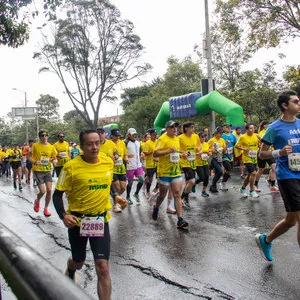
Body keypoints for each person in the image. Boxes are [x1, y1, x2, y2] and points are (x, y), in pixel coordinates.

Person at [53, 129, 113, 299]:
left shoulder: (107, 162)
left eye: (97, 143)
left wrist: (116, 196)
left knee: (102, 266)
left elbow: (110, 182)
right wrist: (63, 215)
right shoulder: (70, 167)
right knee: (79, 262)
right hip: (78, 222)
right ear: (81, 146)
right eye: (89, 144)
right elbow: (58, 195)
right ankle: (71, 267)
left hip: (100, 220)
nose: (94, 147)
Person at [255, 90, 300, 262]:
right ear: (285, 106)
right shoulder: (274, 128)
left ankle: (265, 240)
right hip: (287, 176)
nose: (299, 103)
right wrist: (279, 152)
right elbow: (262, 154)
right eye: (296, 101)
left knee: (290, 220)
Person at [153, 120, 188, 229]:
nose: (174, 129)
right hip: (164, 172)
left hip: (176, 171)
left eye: (176, 127)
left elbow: (176, 151)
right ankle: (156, 207)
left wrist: (183, 155)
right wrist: (168, 151)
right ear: (167, 129)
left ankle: (180, 220)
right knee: (163, 195)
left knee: (177, 194)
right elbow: (155, 153)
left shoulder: (177, 139)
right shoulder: (162, 139)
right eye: (172, 127)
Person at [29, 129, 57, 217]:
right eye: (42, 135)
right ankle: (37, 200)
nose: (44, 137)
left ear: (47, 136)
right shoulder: (35, 146)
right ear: (40, 137)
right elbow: (29, 156)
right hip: (38, 171)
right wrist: (34, 162)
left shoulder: (51, 147)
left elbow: (54, 157)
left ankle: (46, 209)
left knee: (49, 190)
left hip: (48, 170)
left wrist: (54, 161)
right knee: (42, 191)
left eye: (45, 135)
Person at [235, 123, 260, 198]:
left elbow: (261, 143)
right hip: (247, 158)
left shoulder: (256, 135)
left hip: (254, 158)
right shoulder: (243, 137)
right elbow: (236, 146)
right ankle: (252, 191)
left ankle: (242, 188)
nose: (252, 130)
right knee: (254, 173)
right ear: (246, 129)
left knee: (250, 175)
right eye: (250, 128)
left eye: (253, 128)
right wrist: (244, 149)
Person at [179, 121, 200, 208]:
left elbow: (198, 146)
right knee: (192, 181)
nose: (193, 129)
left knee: (188, 182)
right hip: (184, 162)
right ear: (186, 128)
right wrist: (184, 152)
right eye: (191, 127)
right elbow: (176, 149)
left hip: (193, 162)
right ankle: (181, 198)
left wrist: (198, 149)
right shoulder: (180, 138)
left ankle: (185, 198)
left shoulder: (195, 136)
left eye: (193, 127)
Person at [254, 120, 278, 192]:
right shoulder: (261, 133)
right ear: (264, 126)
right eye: (267, 124)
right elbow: (262, 142)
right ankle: (255, 184)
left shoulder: (270, 131)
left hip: (269, 153)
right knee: (261, 170)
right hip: (262, 153)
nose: (269, 125)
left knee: (274, 167)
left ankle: (272, 185)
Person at [110, 128, 128, 213]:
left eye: (118, 136)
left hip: (122, 169)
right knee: (117, 187)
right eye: (116, 136)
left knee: (123, 188)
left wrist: (127, 159)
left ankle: (116, 199)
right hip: (113, 169)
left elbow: (125, 154)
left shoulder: (122, 143)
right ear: (112, 136)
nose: (117, 137)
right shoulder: (109, 144)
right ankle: (116, 205)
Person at [125, 128, 145, 205]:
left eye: (135, 134)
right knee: (130, 183)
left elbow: (140, 152)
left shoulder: (138, 143)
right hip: (130, 166)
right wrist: (127, 156)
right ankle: (128, 197)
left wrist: (142, 155)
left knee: (142, 180)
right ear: (129, 135)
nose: (134, 136)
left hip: (138, 165)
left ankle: (136, 193)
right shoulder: (125, 143)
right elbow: (123, 153)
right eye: (133, 134)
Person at [207, 127, 227, 193]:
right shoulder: (212, 140)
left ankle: (213, 185)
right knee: (220, 171)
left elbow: (224, 151)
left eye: (222, 133)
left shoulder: (222, 140)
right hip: (213, 158)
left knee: (219, 172)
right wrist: (211, 150)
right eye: (220, 133)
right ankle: (213, 185)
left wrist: (225, 147)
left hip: (219, 158)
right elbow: (205, 148)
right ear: (216, 133)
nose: (221, 134)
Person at [220, 123, 237, 191]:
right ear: (223, 128)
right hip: (224, 156)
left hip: (231, 156)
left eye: (229, 127)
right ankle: (222, 183)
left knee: (229, 171)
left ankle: (223, 181)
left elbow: (235, 144)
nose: (229, 128)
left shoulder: (232, 136)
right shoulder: (222, 136)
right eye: (227, 127)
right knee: (228, 169)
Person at [195, 132, 211, 197]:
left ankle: (203, 191)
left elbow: (208, 151)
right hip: (197, 163)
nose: (203, 138)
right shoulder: (196, 144)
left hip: (205, 162)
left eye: (204, 137)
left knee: (207, 176)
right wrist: (199, 153)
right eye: (202, 137)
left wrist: (209, 153)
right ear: (198, 138)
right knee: (202, 177)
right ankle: (194, 183)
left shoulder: (206, 144)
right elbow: (193, 154)